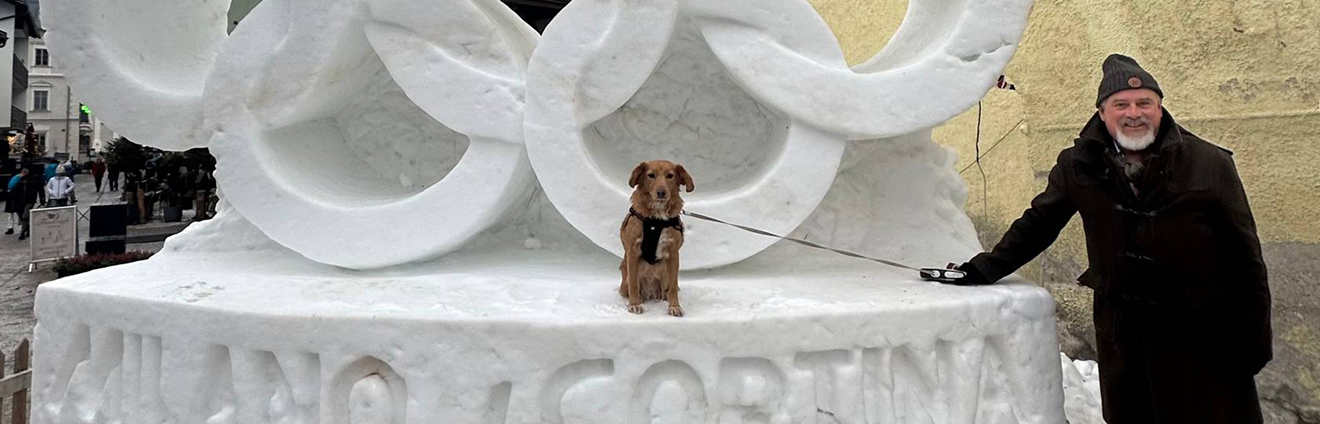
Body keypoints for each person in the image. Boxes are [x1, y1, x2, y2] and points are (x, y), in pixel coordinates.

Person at [945, 54, 1270, 423]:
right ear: (1102, 113)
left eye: (1145, 102)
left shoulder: (1209, 163)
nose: (1135, 113)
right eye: (1121, 104)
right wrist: (983, 268)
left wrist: (1255, 341)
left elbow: (1246, 259)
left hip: (1203, 337)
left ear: (1160, 108)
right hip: (1125, 337)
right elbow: (1039, 223)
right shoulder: (1079, 164)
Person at [17, 166, 45, 240]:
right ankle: (28, 229)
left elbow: (40, 189)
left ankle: (22, 233)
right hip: (20, 201)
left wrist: (42, 200)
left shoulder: (34, 180)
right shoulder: (19, 179)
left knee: (25, 216)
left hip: (30, 201)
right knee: (22, 216)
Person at [4, 168, 30, 234]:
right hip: (17, 198)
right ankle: (24, 228)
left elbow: (10, 186)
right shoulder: (22, 179)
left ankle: (10, 228)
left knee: (10, 214)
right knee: (20, 213)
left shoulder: (14, 177)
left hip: (10, 197)